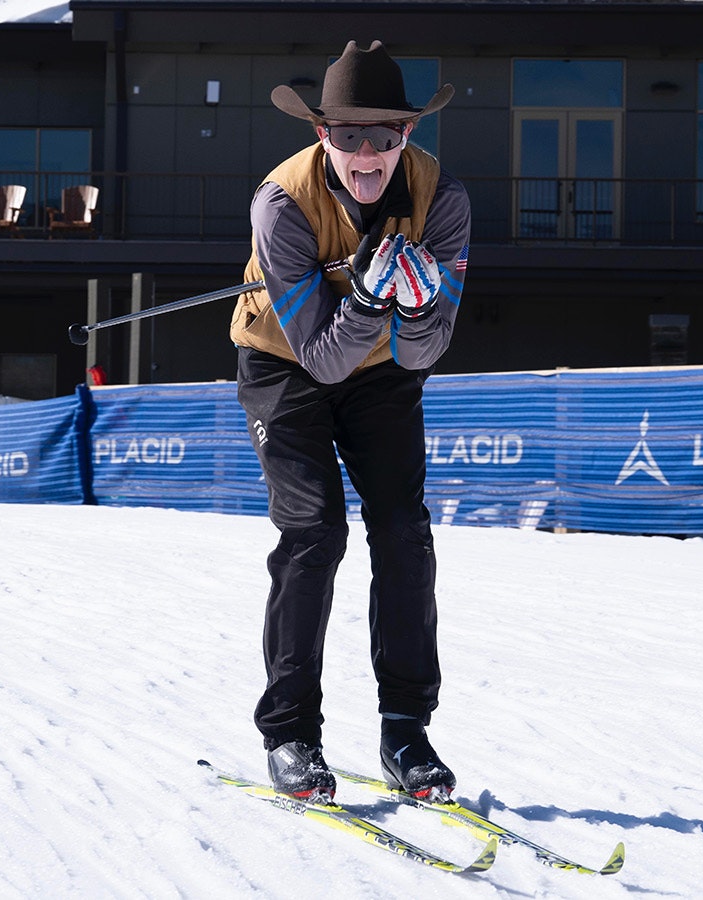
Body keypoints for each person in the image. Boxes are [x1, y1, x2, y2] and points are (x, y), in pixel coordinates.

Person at [229, 40, 472, 804]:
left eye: (385, 136)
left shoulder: (445, 201)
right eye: (347, 136)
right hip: (287, 365)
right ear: (320, 135)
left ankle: (407, 728)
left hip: (383, 375)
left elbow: (427, 350)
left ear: (408, 134)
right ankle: (291, 732)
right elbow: (323, 361)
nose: (366, 154)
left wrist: (419, 303)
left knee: (402, 528)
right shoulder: (281, 205)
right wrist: (368, 301)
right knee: (314, 532)